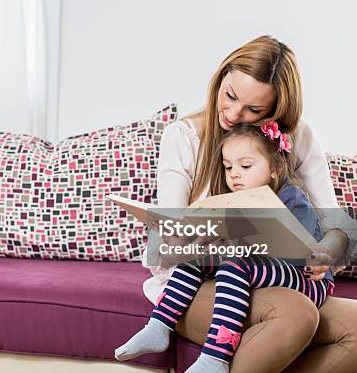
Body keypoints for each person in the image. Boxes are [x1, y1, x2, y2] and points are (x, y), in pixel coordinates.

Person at [134, 36, 357, 372]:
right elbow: (165, 240)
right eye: (230, 96)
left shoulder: (295, 137)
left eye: (255, 110)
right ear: (221, 77)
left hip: (275, 277)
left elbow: (336, 224)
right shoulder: (182, 137)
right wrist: (188, 236)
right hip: (200, 284)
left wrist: (328, 250)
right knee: (295, 313)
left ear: (277, 110)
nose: (234, 113)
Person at [115, 122, 336, 372]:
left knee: (237, 262)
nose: (234, 174)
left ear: (274, 167)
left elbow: (307, 248)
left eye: (245, 166)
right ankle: (158, 326)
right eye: (228, 167)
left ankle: (216, 357)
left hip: (307, 279)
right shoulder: (234, 200)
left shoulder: (292, 199)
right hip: (265, 270)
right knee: (197, 257)